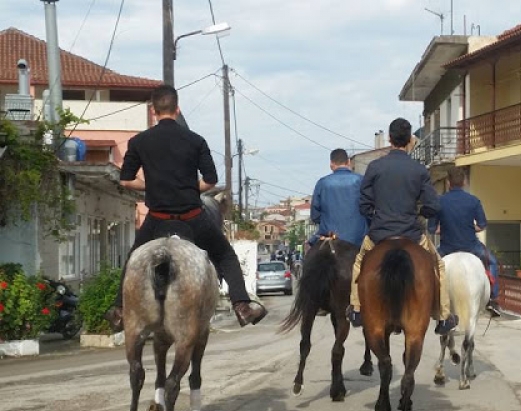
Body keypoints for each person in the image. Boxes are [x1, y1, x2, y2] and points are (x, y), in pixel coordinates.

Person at [104, 84, 267, 331]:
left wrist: (153, 187)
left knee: (132, 259)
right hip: (193, 218)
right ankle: (242, 307)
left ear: (153, 111)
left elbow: (126, 180)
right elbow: (210, 181)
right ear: (177, 109)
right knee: (226, 256)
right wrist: (190, 189)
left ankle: (119, 311)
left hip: (157, 219)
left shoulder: (139, 141)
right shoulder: (196, 141)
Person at [346, 118, 458, 336]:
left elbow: (364, 204)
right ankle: (444, 316)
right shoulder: (418, 169)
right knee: (439, 267)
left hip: (379, 234)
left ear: (389, 138)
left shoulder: (374, 167)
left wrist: (377, 218)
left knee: (359, 264)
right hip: (411, 234)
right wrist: (419, 214)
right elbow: (433, 205)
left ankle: (357, 309)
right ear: (410, 141)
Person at [429, 166, 501, 317]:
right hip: (471, 246)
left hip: (447, 247)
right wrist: (469, 227)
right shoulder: (473, 200)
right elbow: (482, 225)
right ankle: (493, 299)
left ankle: (430, 299)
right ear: (464, 182)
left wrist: (445, 228)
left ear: (448, 183)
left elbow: (432, 228)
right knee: (492, 262)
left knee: (429, 267)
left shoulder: (439, 201)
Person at [305, 148, 368, 250]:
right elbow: (368, 208)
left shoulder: (322, 183)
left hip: (330, 238)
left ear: (331, 164)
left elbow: (315, 216)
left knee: (309, 252)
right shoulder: (361, 180)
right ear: (348, 162)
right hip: (358, 240)